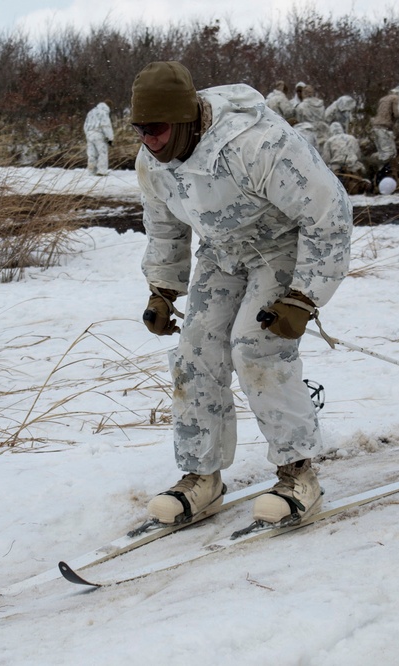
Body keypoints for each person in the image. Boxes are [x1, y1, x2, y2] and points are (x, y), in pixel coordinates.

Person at [129, 61, 353, 528]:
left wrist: (304, 297)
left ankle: (298, 474)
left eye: (158, 129)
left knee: (256, 347)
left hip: (282, 248)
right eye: (140, 130)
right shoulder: (153, 161)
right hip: (222, 253)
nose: (149, 140)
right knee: (194, 352)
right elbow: (165, 229)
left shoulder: (257, 145)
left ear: (187, 120)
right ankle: (200, 476)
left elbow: (328, 214)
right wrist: (162, 291)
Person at [370, 85, 399, 175]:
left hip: (376, 128)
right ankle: (381, 171)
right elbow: (397, 114)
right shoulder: (396, 98)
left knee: (383, 152)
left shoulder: (383, 99)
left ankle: (380, 171)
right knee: (390, 153)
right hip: (384, 129)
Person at [83, 101, 114, 176]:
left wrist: (87, 133)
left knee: (91, 154)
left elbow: (85, 124)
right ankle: (101, 171)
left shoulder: (91, 112)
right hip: (99, 134)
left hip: (89, 134)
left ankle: (91, 170)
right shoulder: (103, 113)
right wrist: (110, 138)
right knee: (102, 153)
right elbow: (106, 126)